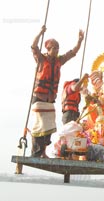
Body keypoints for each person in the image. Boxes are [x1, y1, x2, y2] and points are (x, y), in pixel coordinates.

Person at [30, 25, 84, 158]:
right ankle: (36, 152)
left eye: (57, 48)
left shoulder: (59, 61)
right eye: (53, 48)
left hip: (49, 100)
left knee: (49, 126)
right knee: (40, 125)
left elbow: (72, 53)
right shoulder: (41, 59)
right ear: (48, 49)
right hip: (39, 98)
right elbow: (34, 45)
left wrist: (79, 42)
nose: (56, 50)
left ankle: (42, 151)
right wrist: (40, 32)